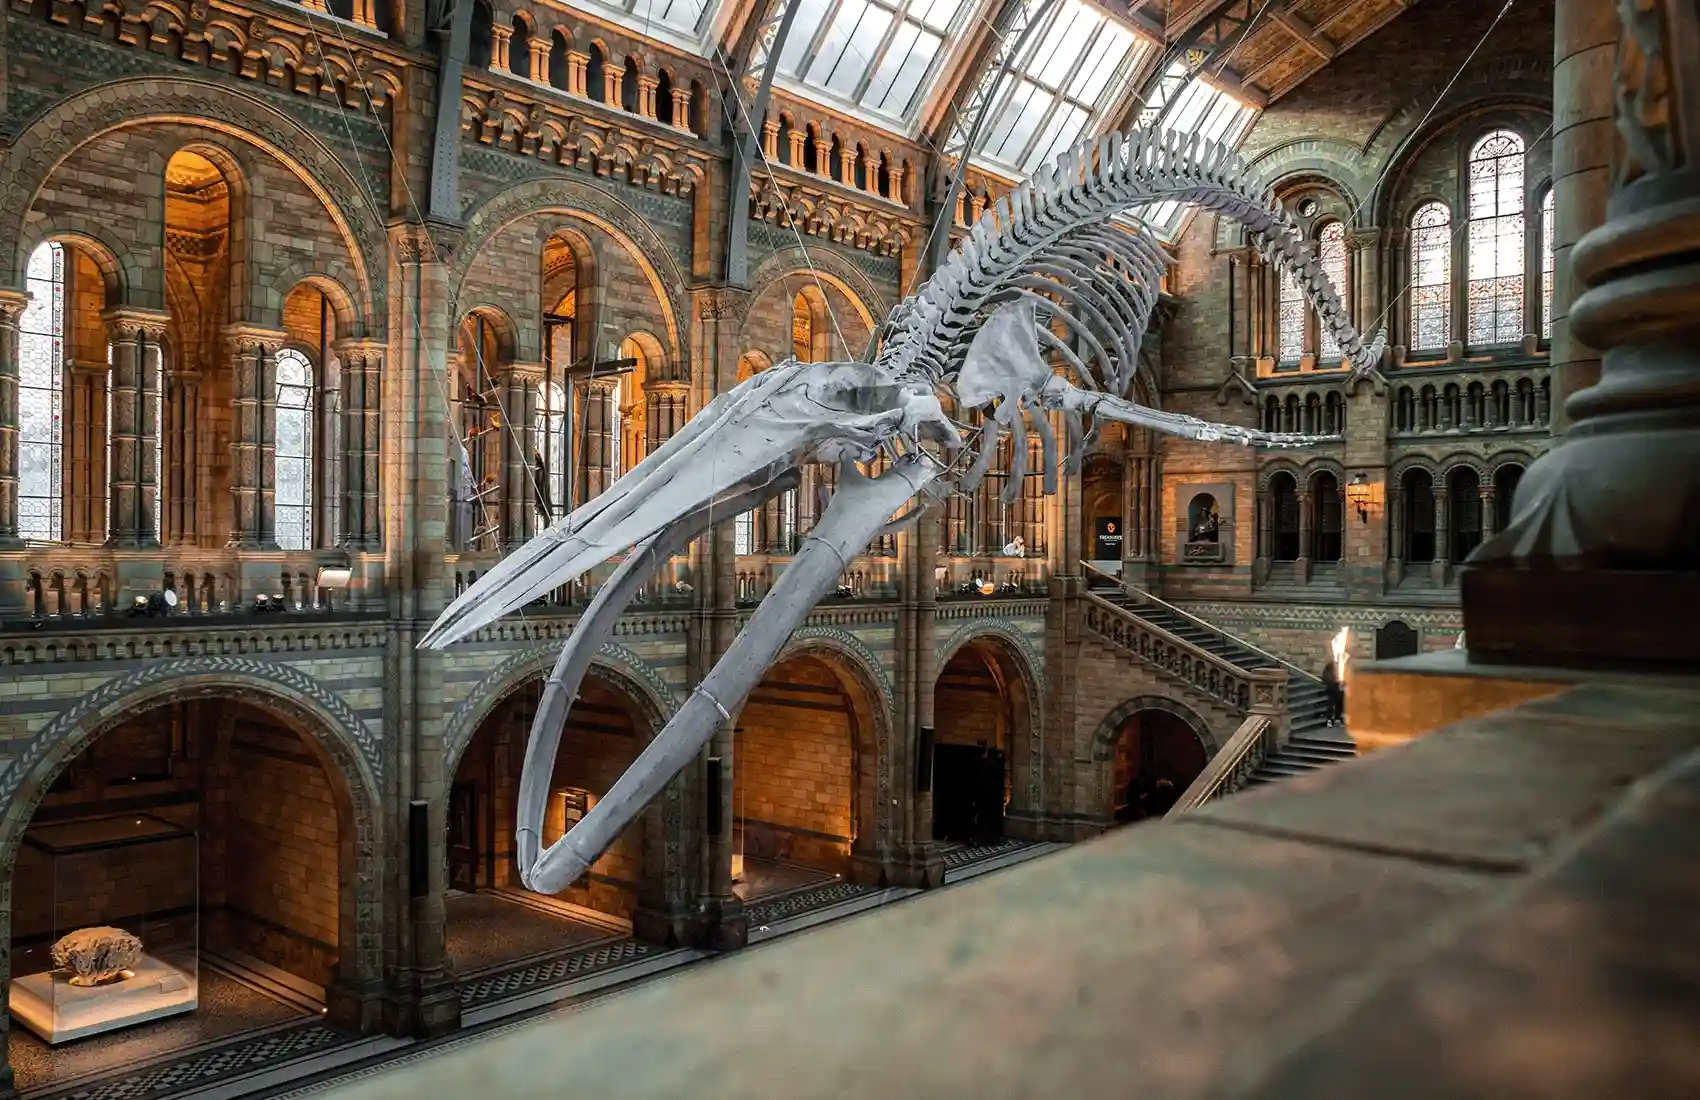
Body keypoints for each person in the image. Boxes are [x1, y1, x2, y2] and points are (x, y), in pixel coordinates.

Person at [1320, 658, 1343, 725]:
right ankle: (1329, 720)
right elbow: (1328, 680)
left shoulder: (1337, 671)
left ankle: (1337, 719)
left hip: (1338, 691)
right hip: (1332, 691)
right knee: (1331, 706)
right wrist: (1336, 681)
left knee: (1339, 705)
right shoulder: (1327, 672)